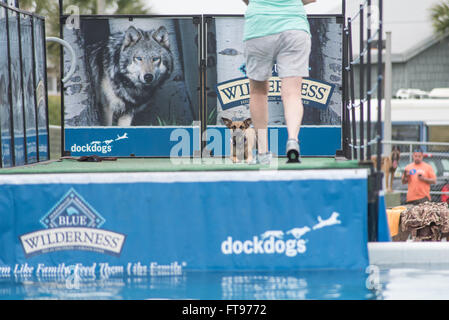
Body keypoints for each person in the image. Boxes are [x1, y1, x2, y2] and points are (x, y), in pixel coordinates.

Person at [242, 0, 316, 164]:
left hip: (259, 25)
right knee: (292, 93)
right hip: (294, 26)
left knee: (258, 92)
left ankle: (262, 152)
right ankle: (292, 140)